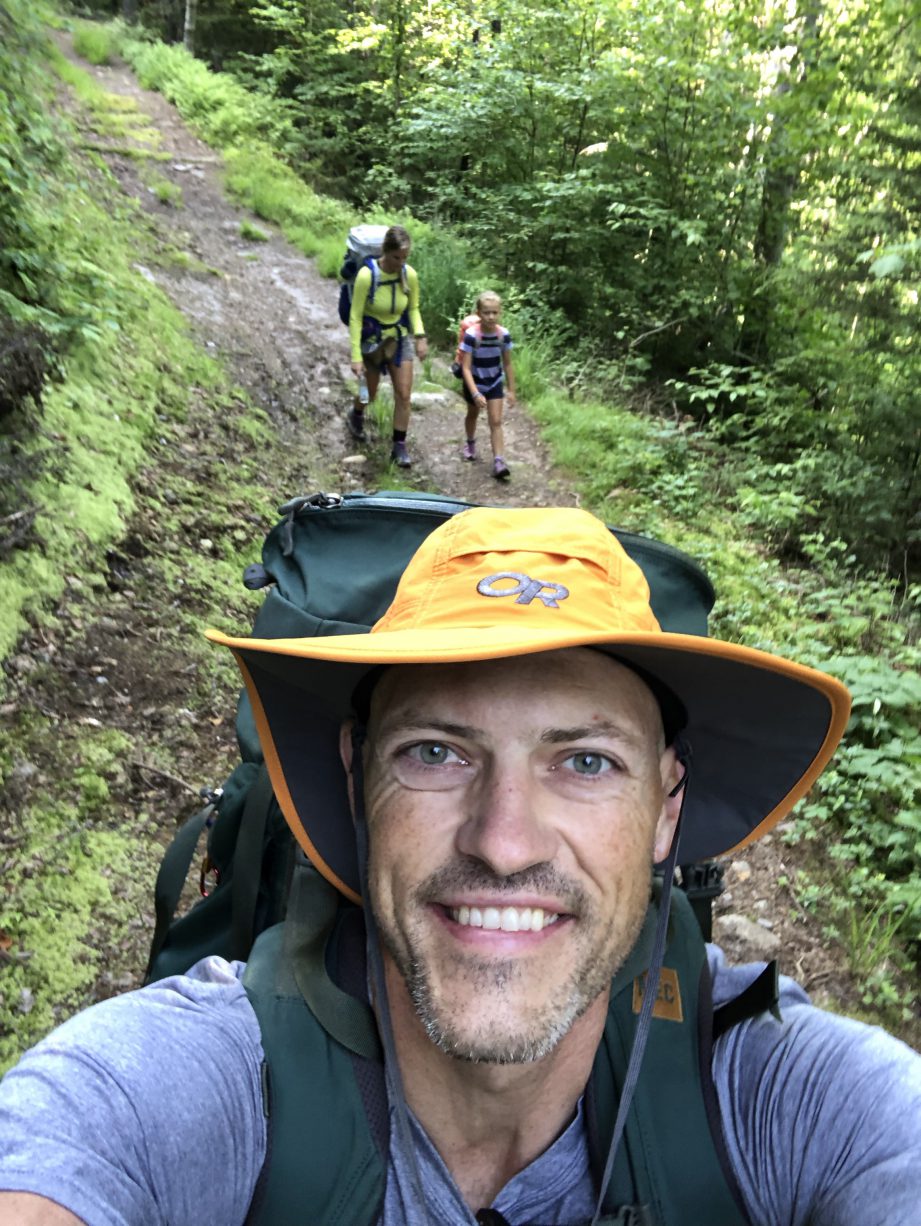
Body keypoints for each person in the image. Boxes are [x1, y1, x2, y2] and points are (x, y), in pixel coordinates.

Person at [1, 506, 920, 1226]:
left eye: (586, 761)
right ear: (357, 779)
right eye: (437, 752)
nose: (503, 840)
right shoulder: (179, 1086)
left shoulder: (787, 1103)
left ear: (665, 808)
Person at [346, 224, 428, 468]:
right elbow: (355, 316)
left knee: (404, 394)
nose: (400, 263)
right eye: (396, 257)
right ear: (385, 251)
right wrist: (355, 355)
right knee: (367, 393)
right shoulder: (366, 276)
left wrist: (420, 336)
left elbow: (413, 308)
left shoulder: (408, 275)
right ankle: (356, 414)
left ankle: (399, 446)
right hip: (371, 341)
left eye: (405, 258)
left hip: (399, 339)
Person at [459, 291, 516, 479]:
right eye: (486, 312)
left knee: (496, 421)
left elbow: (507, 363)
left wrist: (511, 390)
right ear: (479, 313)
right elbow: (465, 368)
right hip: (474, 381)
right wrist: (475, 393)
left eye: (494, 312)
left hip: (494, 382)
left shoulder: (503, 335)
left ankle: (499, 461)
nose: (490, 317)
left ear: (500, 313)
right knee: (473, 414)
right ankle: (470, 442)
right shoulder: (471, 335)